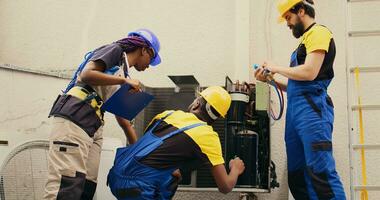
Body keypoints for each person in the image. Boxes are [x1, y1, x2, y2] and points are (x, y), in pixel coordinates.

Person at [43, 29, 162, 200]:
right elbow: (87, 74)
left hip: (93, 125)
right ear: (144, 49)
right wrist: (123, 81)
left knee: (86, 187)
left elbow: (124, 121)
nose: (150, 64)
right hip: (75, 117)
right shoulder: (115, 50)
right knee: (66, 185)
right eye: (152, 57)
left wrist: (137, 154)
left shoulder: (124, 73)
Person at [253, 0, 346, 199]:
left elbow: (310, 72)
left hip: (312, 111)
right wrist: (270, 80)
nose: (287, 24)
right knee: (298, 178)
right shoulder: (303, 44)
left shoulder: (319, 33)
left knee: (320, 174)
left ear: (301, 11)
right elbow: (295, 85)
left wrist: (276, 67)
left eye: (288, 17)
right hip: (296, 114)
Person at [107, 86, 246, 200]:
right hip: (140, 189)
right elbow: (225, 186)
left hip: (116, 177)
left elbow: (144, 148)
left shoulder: (167, 115)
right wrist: (235, 169)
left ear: (197, 103)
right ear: (217, 118)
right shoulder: (208, 136)